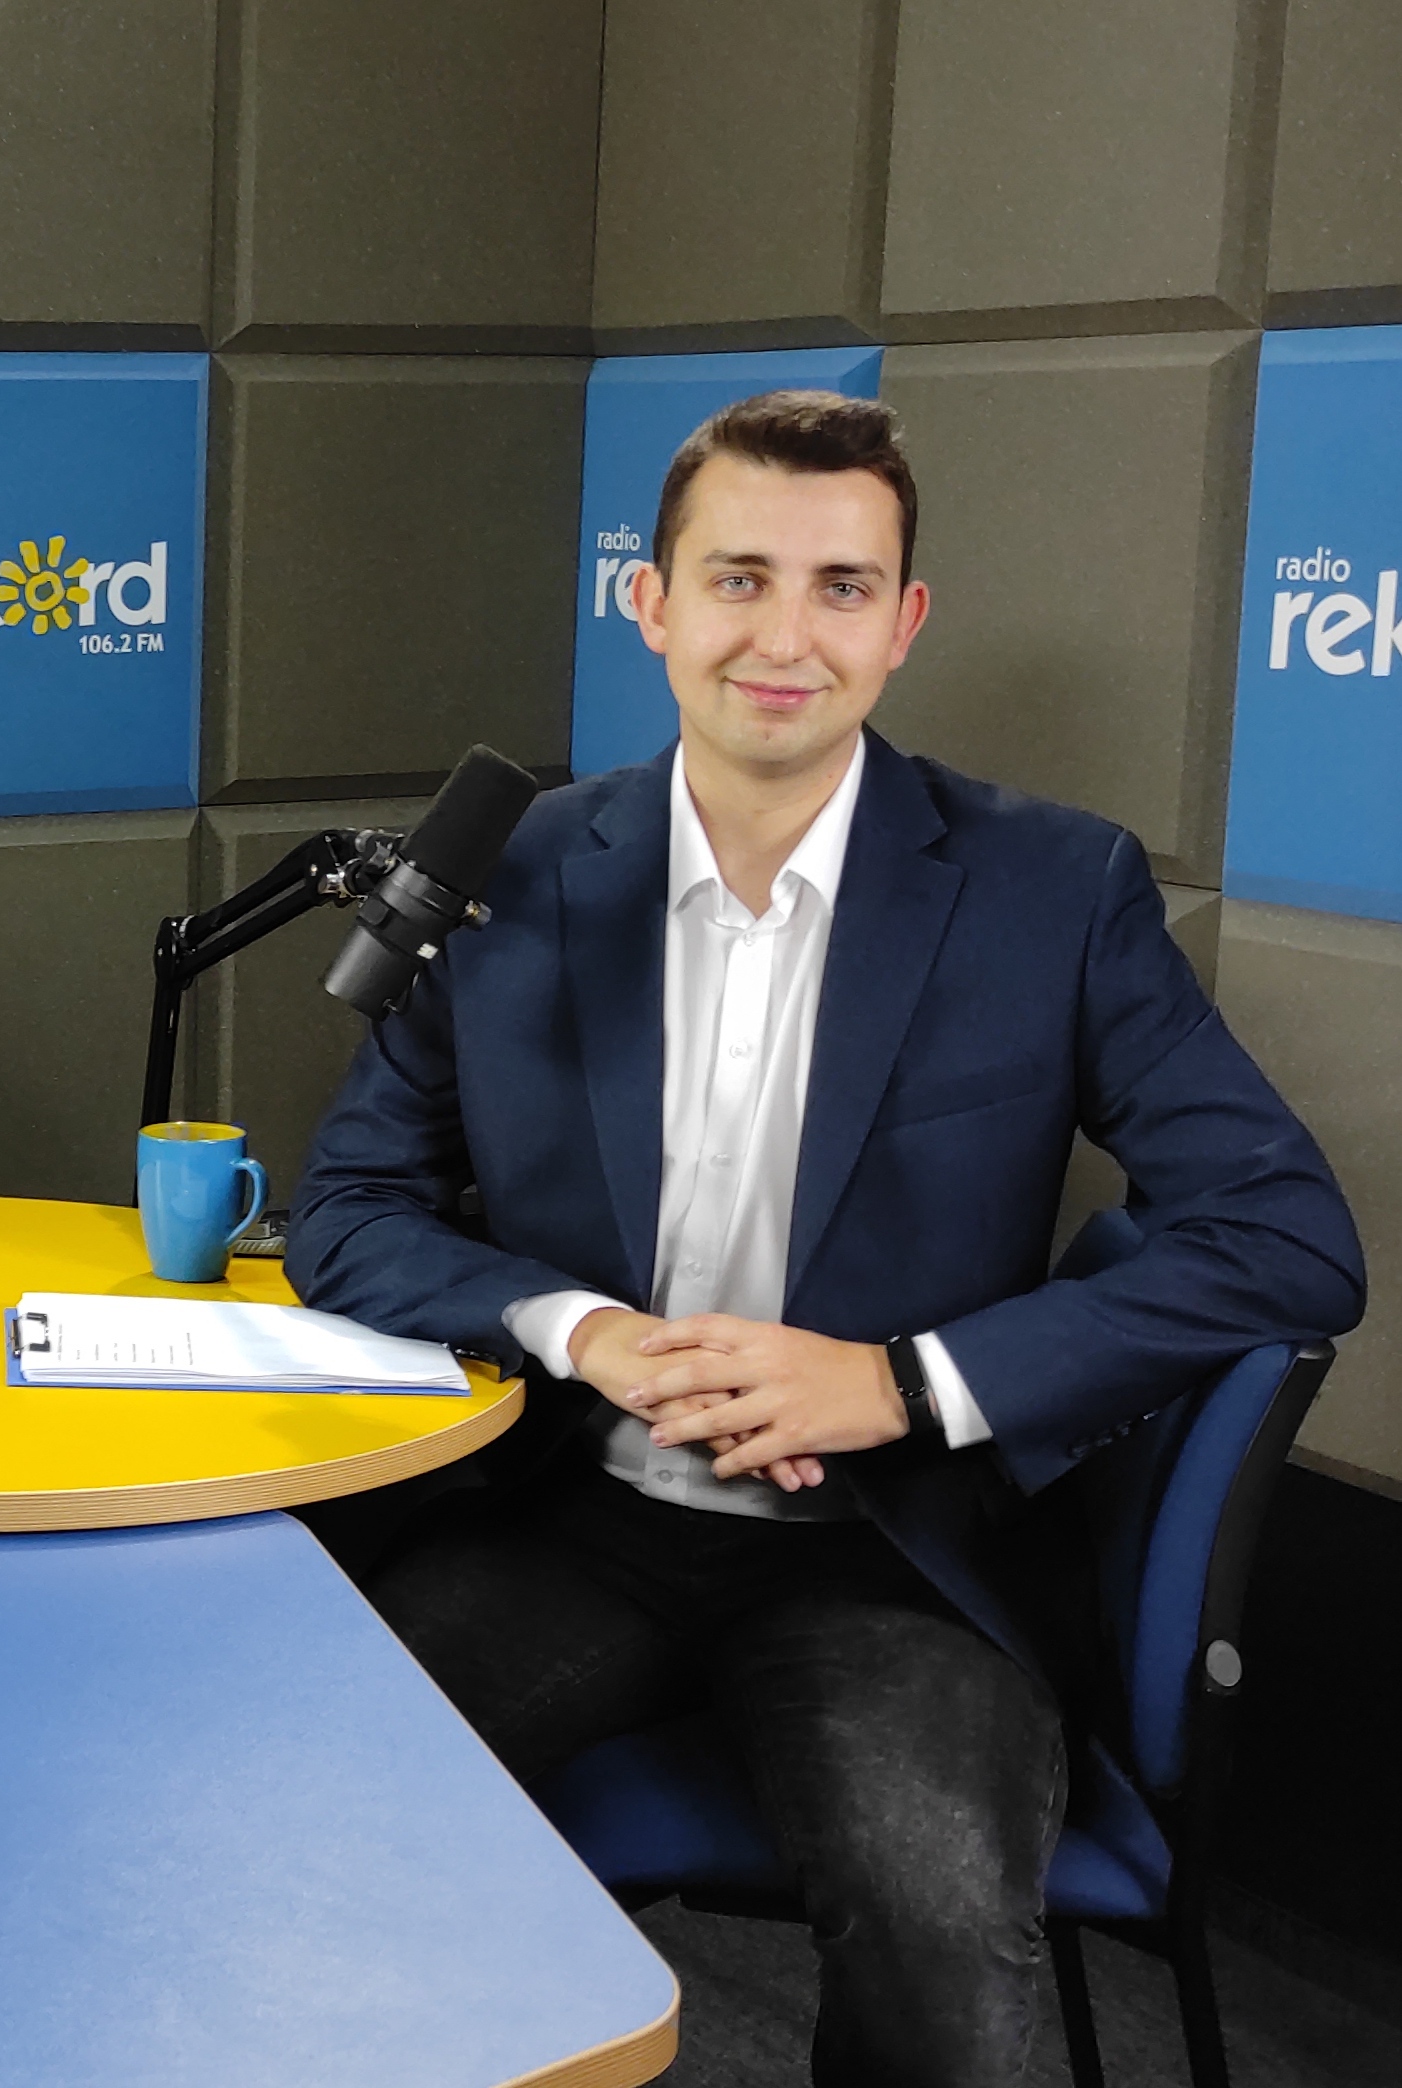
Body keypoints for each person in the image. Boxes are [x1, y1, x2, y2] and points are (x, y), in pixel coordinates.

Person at [286, 392, 1363, 2087]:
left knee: (940, 1933)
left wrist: (899, 1381)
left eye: (841, 586)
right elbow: (349, 1206)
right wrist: (583, 1329)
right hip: (570, 1514)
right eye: (738, 579)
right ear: (648, 603)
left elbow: (1287, 1236)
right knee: (293, 1812)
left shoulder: (1050, 889)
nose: (785, 637)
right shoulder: (512, 875)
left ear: (904, 620)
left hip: (889, 1550)